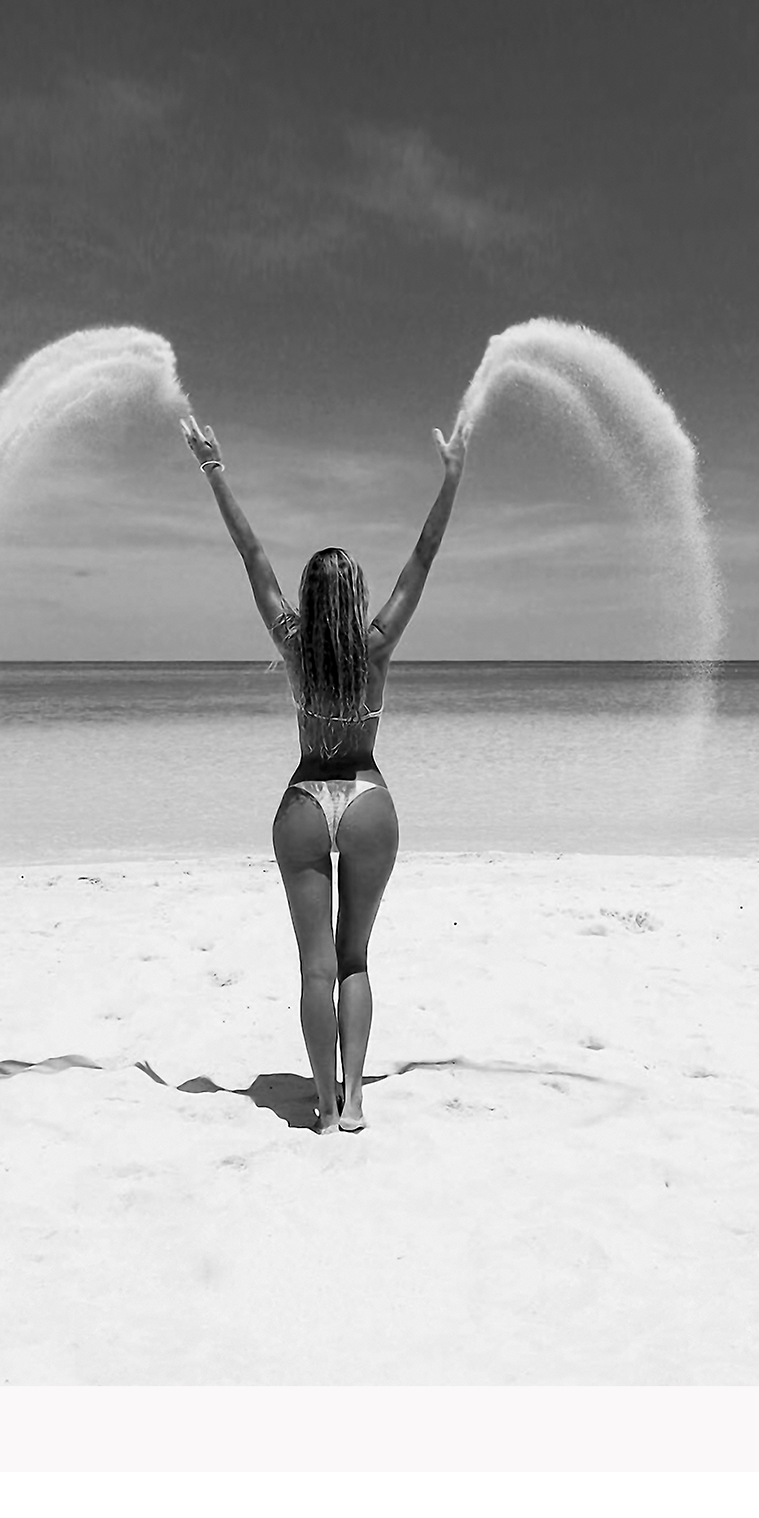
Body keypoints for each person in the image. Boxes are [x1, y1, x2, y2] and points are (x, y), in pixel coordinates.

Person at [181, 412, 470, 1133]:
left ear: (311, 599)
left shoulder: (293, 645)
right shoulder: (377, 645)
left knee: (314, 966)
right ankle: (359, 1102)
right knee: (353, 961)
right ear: (360, 597)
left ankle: (324, 1101)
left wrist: (215, 469)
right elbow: (424, 557)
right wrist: (452, 476)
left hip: (306, 800)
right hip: (367, 796)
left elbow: (250, 554)